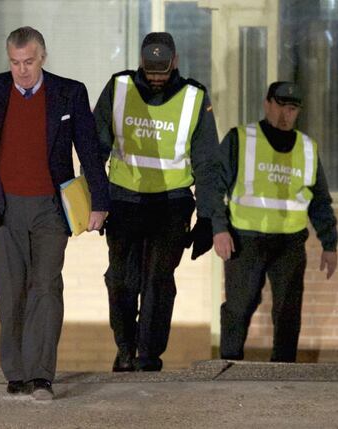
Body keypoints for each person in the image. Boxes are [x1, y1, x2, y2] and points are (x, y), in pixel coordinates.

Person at [0, 27, 109, 399]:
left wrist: (99, 202)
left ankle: (41, 376)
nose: (22, 70)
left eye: (29, 62)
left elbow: (88, 150)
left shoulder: (70, 92)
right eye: (15, 62)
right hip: (4, 206)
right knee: (11, 288)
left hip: (52, 207)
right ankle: (16, 373)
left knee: (47, 287)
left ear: (43, 57)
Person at [93, 32, 219, 371]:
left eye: (163, 71)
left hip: (172, 205)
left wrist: (207, 217)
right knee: (121, 280)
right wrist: (95, 198)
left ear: (175, 61)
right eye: (151, 71)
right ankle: (124, 348)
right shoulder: (119, 88)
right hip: (123, 201)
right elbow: (95, 147)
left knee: (157, 282)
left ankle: (148, 356)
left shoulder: (194, 97)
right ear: (141, 63)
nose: (157, 78)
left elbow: (208, 163)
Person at [213, 81, 337, 362]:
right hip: (245, 238)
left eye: (292, 108)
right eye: (280, 106)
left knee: (288, 311)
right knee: (239, 307)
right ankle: (228, 365)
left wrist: (330, 244)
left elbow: (319, 201)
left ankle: (284, 371)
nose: (285, 114)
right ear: (267, 103)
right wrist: (218, 228)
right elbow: (214, 186)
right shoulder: (241, 139)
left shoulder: (307, 148)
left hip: (290, 242)